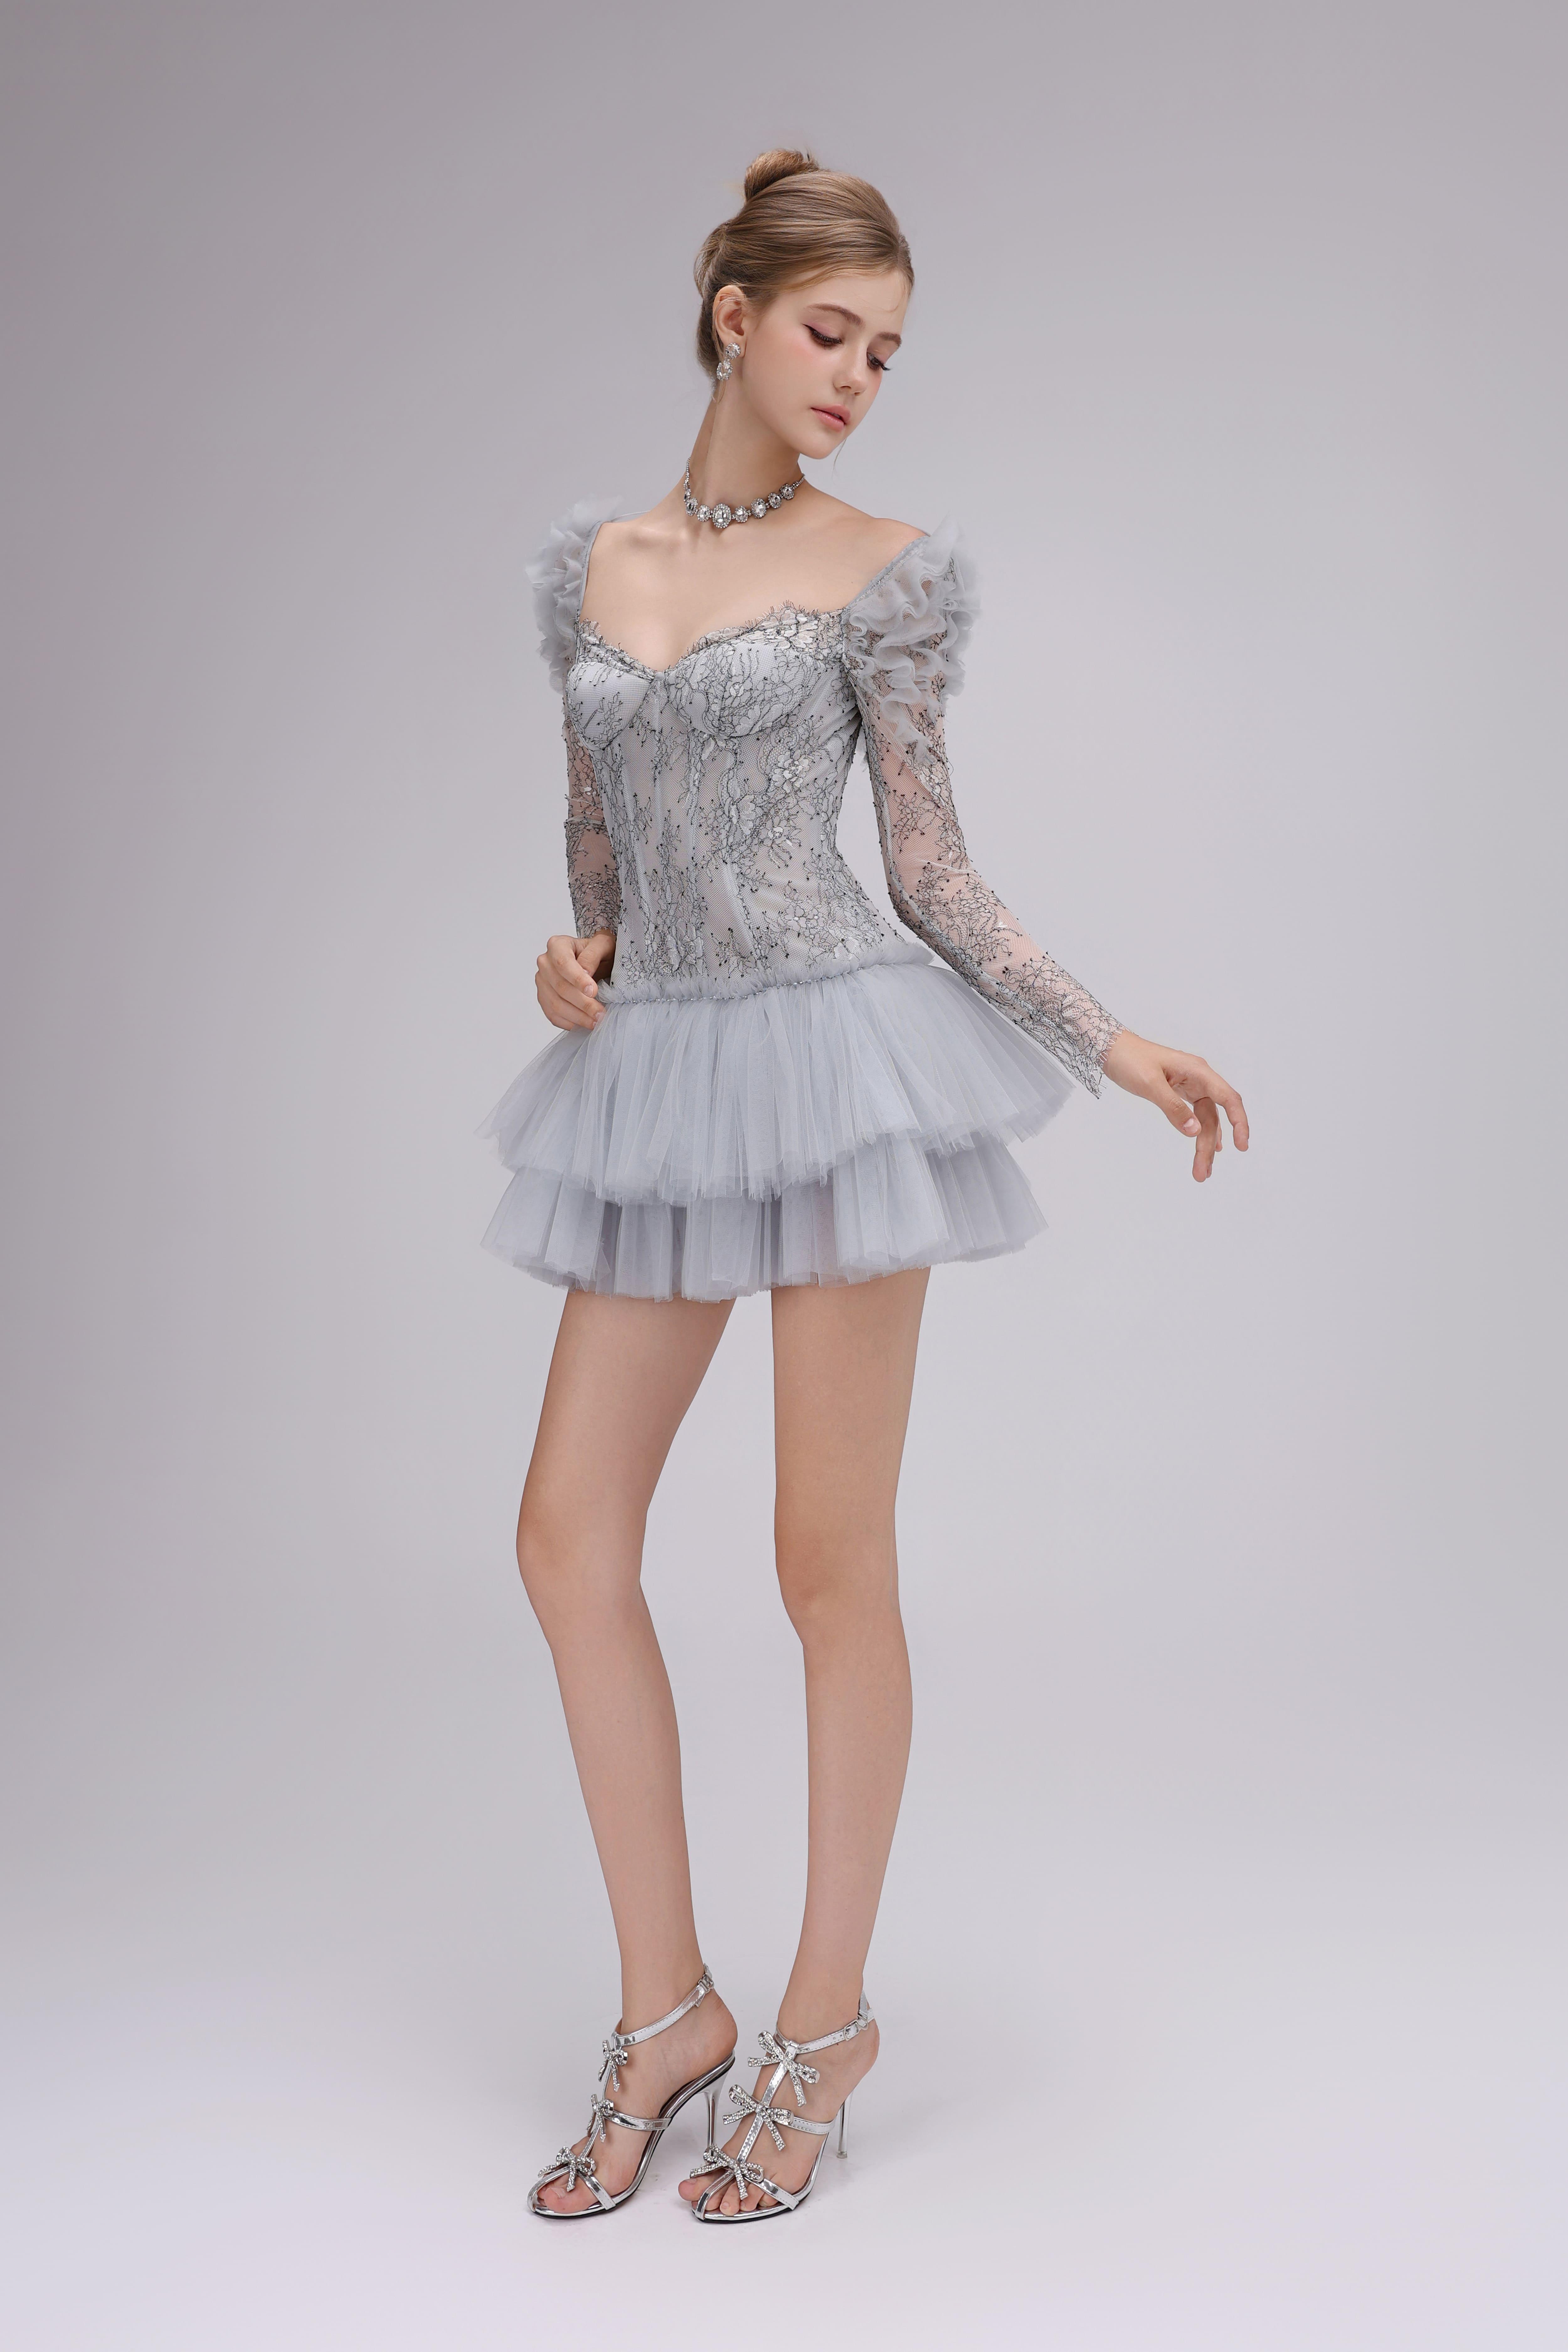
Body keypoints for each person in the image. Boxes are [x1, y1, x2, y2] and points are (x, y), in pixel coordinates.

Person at [479, 150, 1248, 2224]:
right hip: (659, 1069)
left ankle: (822, 2029)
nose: (858, 377)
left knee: (826, 1561)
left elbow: (928, 871)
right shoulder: (594, 571)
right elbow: (598, 867)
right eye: (832, 332)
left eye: (889, 353)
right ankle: (667, 2014)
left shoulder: (880, 570)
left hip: (834, 1060)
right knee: (564, 1537)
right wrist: (572, 961)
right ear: (731, 312)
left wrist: (1109, 1041)